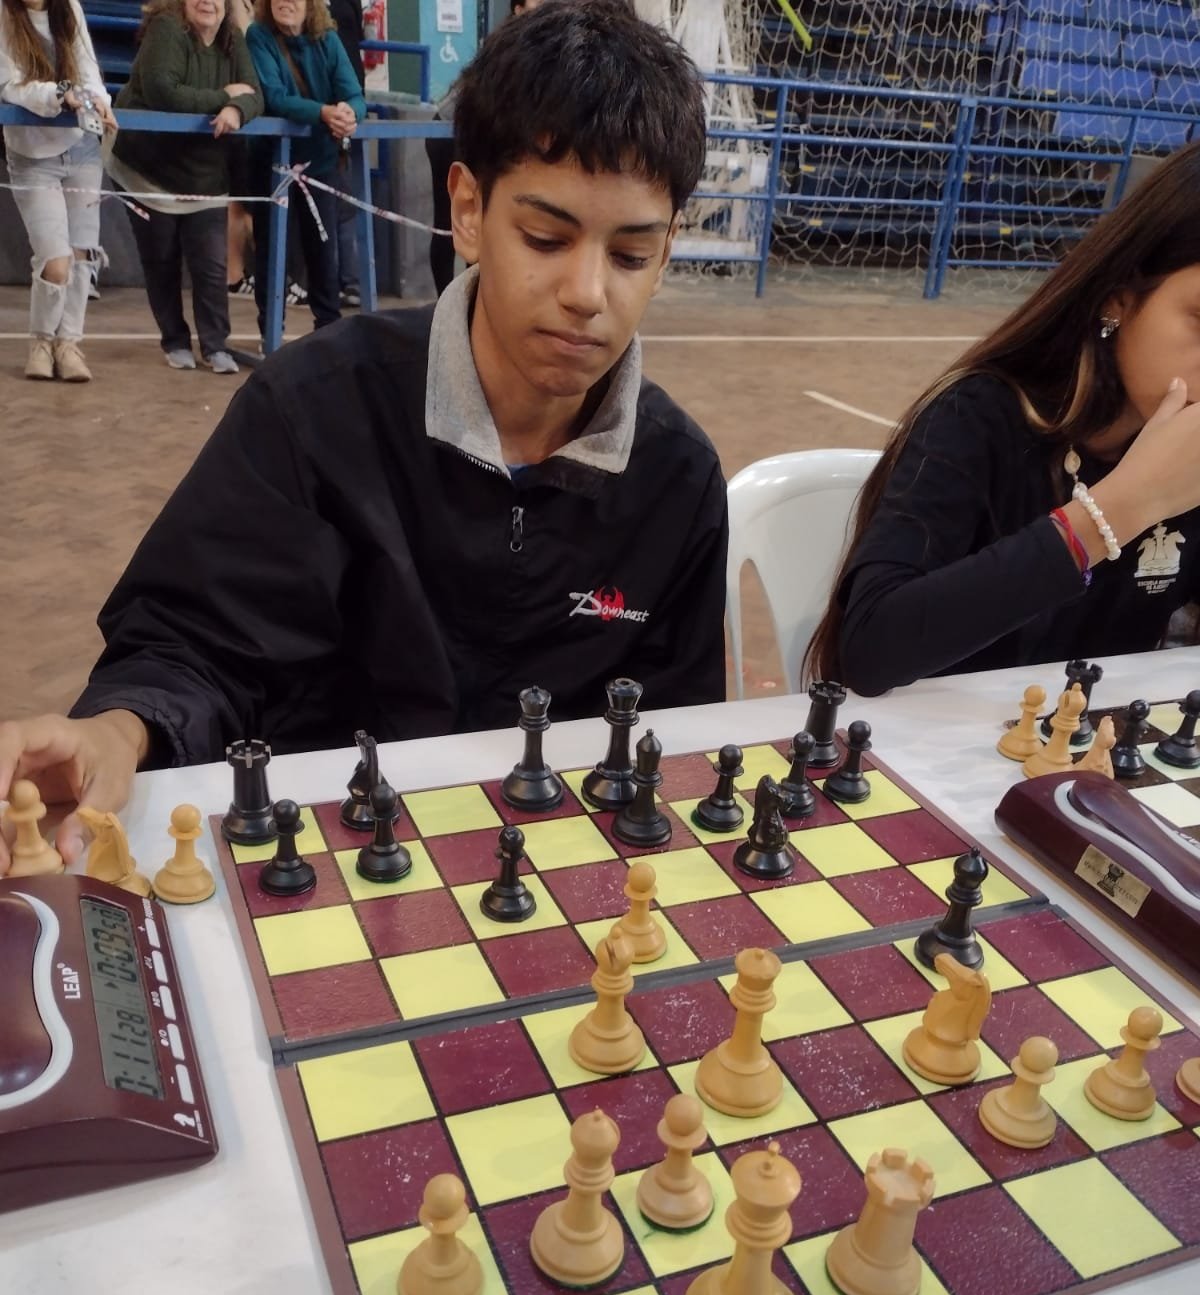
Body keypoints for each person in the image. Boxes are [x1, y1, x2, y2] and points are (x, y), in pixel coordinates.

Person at [0, 0, 727, 872]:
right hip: (325, 868)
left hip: (554, 881)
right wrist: (118, 730)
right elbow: (193, 642)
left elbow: (672, 737)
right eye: (545, 237)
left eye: (631, 255)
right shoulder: (312, 409)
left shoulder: (678, 478)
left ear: (668, 250)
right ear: (468, 208)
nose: (586, 293)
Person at [807, 140, 1200, 697]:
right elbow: (869, 649)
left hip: (1091, 745)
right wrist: (1120, 509)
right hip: (931, 742)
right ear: (1118, 298)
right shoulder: (980, 416)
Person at [106, 0, 263, 372]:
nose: (207, 2)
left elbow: (255, 94)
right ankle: (175, 340)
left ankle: (215, 345)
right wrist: (224, 97)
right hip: (147, 170)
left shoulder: (233, 38)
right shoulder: (166, 28)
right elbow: (165, 93)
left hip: (205, 176)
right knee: (161, 260)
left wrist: (237, 109)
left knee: (211, 264)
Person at [0, 0, 116, 380]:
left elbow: (87, 66)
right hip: (31, 154)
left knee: (82, 254)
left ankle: (68, 344)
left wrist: (98, 100)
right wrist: (60, 94)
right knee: (55, 260)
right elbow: (10, 85)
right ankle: (41, 341)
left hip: (81, 147)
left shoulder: (69, 8)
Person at [246, 0, 364, 336]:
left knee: (324, 252)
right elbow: (274, 97)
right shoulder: (258, 36)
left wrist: (349, 114)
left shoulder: (328, 39)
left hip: (320, 162)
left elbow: (354, 94)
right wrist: (324, 113)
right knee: (272, 251)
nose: (285, 2)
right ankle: (271, 333)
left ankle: (329, 332)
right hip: (271, 163)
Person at [424, 0, 545, 297]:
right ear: (518, 8)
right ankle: (447, 305)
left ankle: (476, 299)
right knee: (452, 222)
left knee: (483, 222)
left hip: (487, 132)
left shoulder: (548, 44)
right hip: (451, 130)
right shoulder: (512, 46)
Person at [325, 0, 363, 306]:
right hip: (316, 111)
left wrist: (352, 107)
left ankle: (350, 281)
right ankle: (324, 283)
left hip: (348, 109)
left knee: (346, 201)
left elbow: (355, 40)